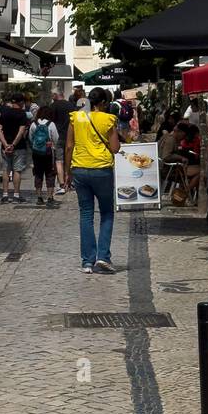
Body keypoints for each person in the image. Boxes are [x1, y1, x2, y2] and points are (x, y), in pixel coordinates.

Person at [66, 87, 120, 274]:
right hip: (102, 169)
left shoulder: (76, 117)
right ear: (104, 103)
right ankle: (103, 257)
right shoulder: (109, 119)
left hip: (79, 168)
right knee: (106, 213)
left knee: (86, 214)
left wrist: (67, 172)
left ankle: (87, 261)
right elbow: (114, 148)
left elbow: (69, 146)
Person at [0, 93, 29, 203]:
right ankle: (16, 195)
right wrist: (13, 145)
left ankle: (5, 195)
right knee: (17, 170)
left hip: (5, 147)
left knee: (6, 170)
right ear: (21, 103)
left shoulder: (4, 113)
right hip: (19, 147)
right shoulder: (22, 114)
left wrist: (5, 144)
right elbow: (21, 131)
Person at [29, 107, 60, 207]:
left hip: (36, 153)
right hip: (48, 152)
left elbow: (31, 138)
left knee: (38, 174)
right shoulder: (51, 124)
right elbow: (56, 138)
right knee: (50, 174)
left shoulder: (34, 124)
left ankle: (39, 197)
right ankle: (50, 197)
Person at [49, 88, 72, 193]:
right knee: (70, 160)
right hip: (70, 136)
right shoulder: (71, 105)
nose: (51, 97)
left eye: (51, 95)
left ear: (55, 95)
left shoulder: (53, 106)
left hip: (57, 137)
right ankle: (69, 183)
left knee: (59, 161)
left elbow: (50, 122)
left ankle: (62, 184)